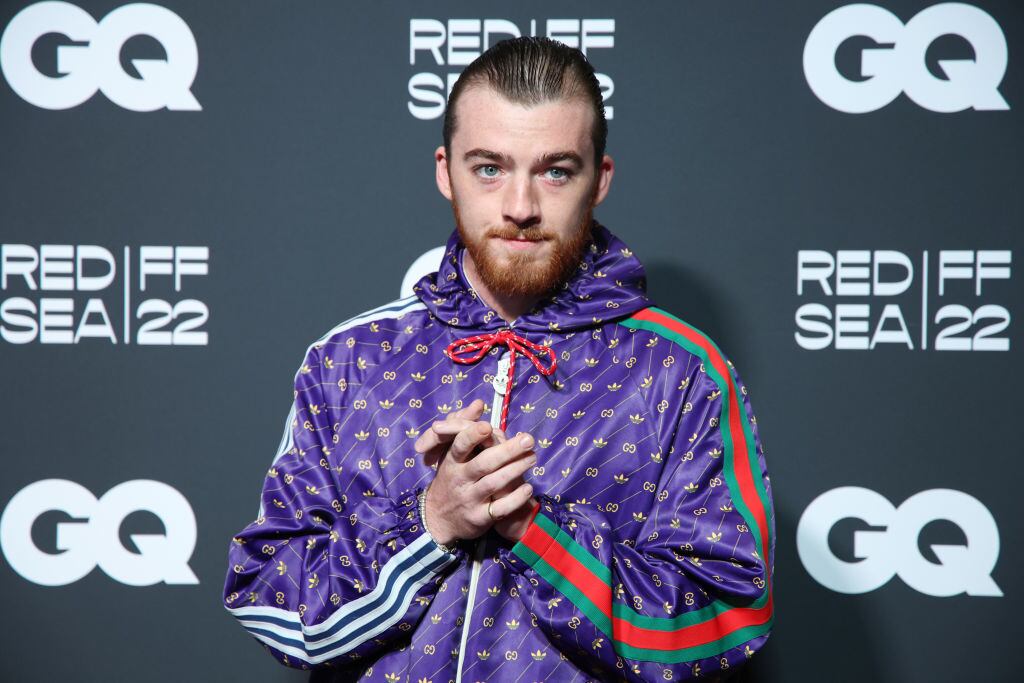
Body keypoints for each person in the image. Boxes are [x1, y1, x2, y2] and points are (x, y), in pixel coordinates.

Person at [223, 36, 774, 682]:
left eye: (555, 170)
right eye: (489, 168)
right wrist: (430, 521)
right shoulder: (350, 359)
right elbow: (270, 600)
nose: (520, 206)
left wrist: (535, 527)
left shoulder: (683, 373)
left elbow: (730, 617)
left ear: (600, 179)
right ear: (444, 170)